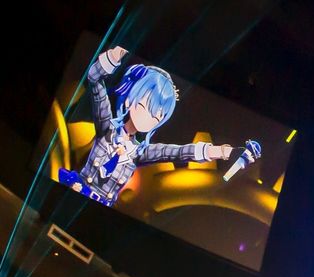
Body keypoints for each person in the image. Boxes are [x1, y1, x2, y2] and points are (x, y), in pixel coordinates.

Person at [58, 46, 243, 207]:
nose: (149, 119)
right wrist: (115, 55)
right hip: (73, 195)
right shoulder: (107, 128)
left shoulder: (140, 152)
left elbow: (178, 152)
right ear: (129, 101)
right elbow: (95, 80)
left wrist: (223, 151)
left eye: (157, 116)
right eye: (146, 107)